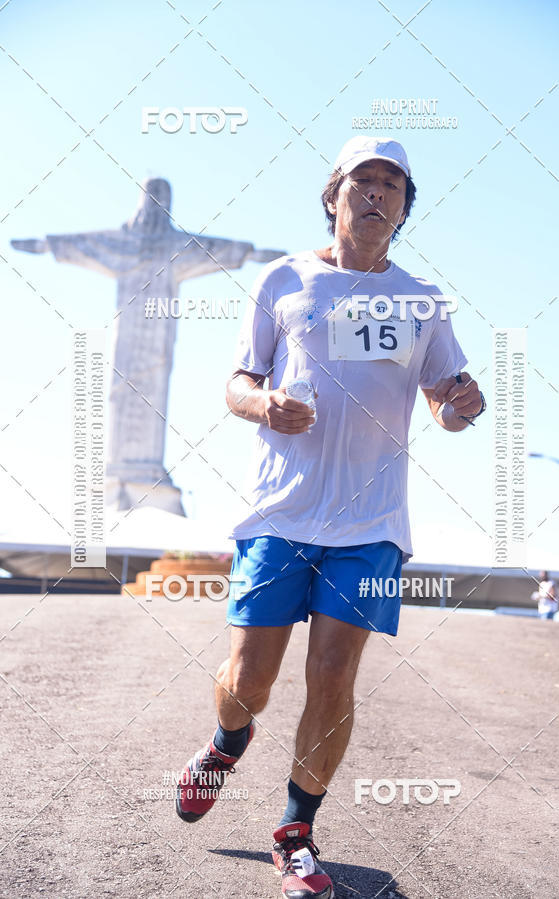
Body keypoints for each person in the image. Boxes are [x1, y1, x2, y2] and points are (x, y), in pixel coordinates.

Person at [175, 136, 485, 899]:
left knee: (335, 676)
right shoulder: (287, 278)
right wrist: (262, 403)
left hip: (373, 524)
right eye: (362, 181)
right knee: (250, 678)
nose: (376, 193)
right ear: (333, 194)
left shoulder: (423, 301)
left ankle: (296, 831)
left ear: (405, 207)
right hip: (282, 514)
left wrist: (461, 407)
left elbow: (448, 396)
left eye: (392, 185)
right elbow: (237, 380)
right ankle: (226, 742)